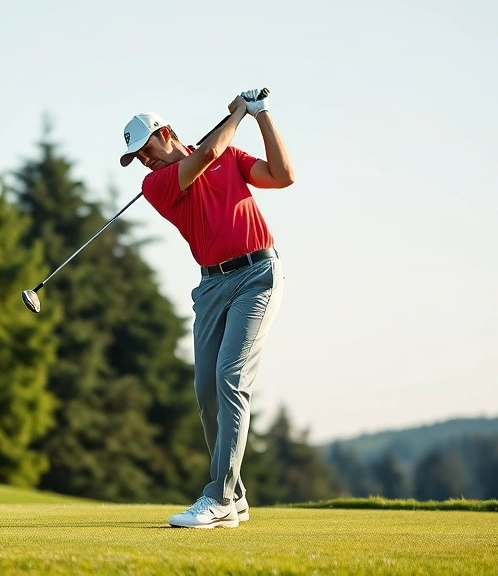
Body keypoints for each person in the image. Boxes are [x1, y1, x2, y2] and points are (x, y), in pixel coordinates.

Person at [119, 88, 294, 528]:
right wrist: (238, 113)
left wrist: (261, 114)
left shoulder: (229, 154)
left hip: (257, 276)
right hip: (212, 287)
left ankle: (219, 497)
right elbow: (207, 153)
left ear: (166, 133)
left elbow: (283, 176)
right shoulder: (155, 185)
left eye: (147, 150)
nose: (145, 161)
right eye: (137, 158)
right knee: (205, 391)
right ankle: (236, 497)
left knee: (229, 378)